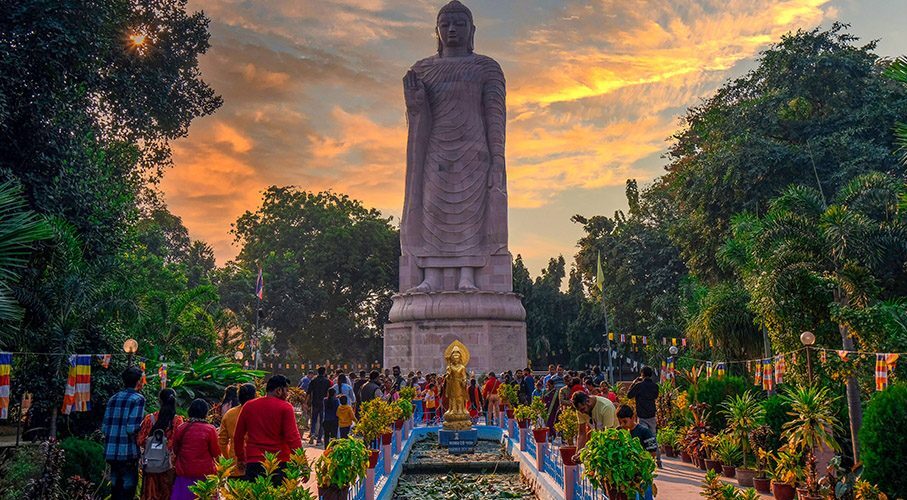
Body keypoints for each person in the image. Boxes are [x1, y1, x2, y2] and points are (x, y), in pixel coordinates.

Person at [234, 375, 303, 485]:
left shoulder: (249, 406)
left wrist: (241, 457)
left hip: (254, 461)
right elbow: (292, 437)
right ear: (278, 391)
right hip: (279, 462)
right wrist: (302, 462)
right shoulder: (285, 407)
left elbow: (238, 436)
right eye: (286, 390)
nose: (287, 394)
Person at [102, 366, 146, 500]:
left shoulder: (113, 398)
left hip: (111, 451)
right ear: (138, 381)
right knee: (128, 489)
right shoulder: (138, 399)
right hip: (127, 451)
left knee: (115, 489)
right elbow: (131, 428)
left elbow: (104, 428)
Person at [137, 388, 183, 500]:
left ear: (159, 401)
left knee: (150, 495)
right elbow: (179, 444)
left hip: (151, 465)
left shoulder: (150, 419)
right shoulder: (178, 421)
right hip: (169, 467)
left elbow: (140, 440)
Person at [170, 399, 220, 500]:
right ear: (205, 413)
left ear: (190, 411)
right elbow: (216, 452)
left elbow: (175, 450)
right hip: (205, 476)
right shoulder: (210, 429)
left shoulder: (181, 428)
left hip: (184, 473)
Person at [616, 404, 657, 500]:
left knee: (643, 495)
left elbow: (653, 452)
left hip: (642, 473)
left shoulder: (645, 432)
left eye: (625, 421)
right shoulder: (618, 432)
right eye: (620, 422)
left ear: (633, 417)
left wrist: (640, 463)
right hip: (625, 475)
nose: (622, 425)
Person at [218, 383, 256, 478]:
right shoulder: (259, 413)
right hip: (255, 461)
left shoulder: (229, 414)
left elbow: (222, 441)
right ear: (254, 397)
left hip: (235, 464)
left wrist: (228, 459)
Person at [627, 366, 662, 468]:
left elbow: (629, 395)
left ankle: (645, 460)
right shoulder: (655, 386)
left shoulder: (639, 385)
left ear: (642, 374)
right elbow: (655, 396)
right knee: (653, 437)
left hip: (642, 415)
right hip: (652, 415)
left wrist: (634, 383)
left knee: (644, 438)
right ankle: (658, 460)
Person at [306, 367, 331, 445]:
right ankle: (319, 439)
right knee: (322, 421)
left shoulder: (313, 381)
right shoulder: (327, 381)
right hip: (323, 403)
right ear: (324, 372)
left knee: (313, 419)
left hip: (315, 402)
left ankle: (312, 433)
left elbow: (308, 392)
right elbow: (328, 393)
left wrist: (305, 402)